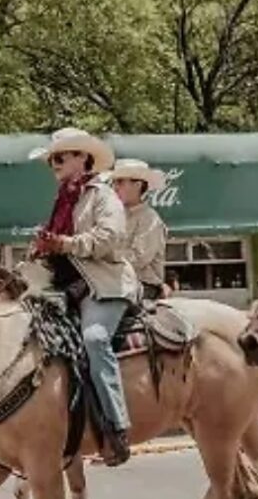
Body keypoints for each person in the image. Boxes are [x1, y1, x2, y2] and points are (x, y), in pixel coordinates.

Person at [29, 127, 139, 466]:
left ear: (82, 158)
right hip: (63, 288)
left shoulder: (103, 195)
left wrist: (65, 244)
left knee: (94, 338)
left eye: (60, 157)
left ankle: (117, 427)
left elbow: (110, 238)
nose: (54, 163)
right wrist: (42, 249)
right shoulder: (63, 199)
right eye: (51, 159)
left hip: (102, 286)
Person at [108, 159, 168, 301]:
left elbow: (138, 259)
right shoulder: (113, 215)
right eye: (114, 183)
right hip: (116, 281)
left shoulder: (150, 219)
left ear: (137, 185)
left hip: (144, 284)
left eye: (120, 182)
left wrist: (104, 258)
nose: (115, 188)